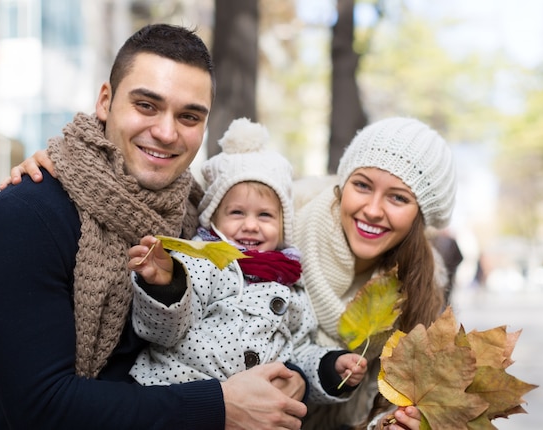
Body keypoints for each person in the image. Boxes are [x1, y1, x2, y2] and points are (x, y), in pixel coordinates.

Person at [0, 23, 308, 430]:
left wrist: (295, 381)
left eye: (188, 116)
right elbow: (41, 408)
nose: (166, 133)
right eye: (147, 105)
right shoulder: (26, 215)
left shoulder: (197, 216)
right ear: (105, 101)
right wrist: (220, 406)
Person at [128, 118, 367, 403]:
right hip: (180, 394)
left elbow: (299, 349)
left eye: (264, 215)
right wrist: (165, 284)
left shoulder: (290, 284)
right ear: (214, 219)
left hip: (257, 410)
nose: (251, 225)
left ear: (282, 226)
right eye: (237, 213)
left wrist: (330, 368)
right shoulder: (201, 264)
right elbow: (166, 332)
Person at [294, 117, 456, 430]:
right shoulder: (278, 231)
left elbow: (392, 402)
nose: (372, 209)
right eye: (363, 185)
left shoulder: (419, 290)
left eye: (398, 197)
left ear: (419, 217)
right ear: (343, 184)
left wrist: (387, 423)